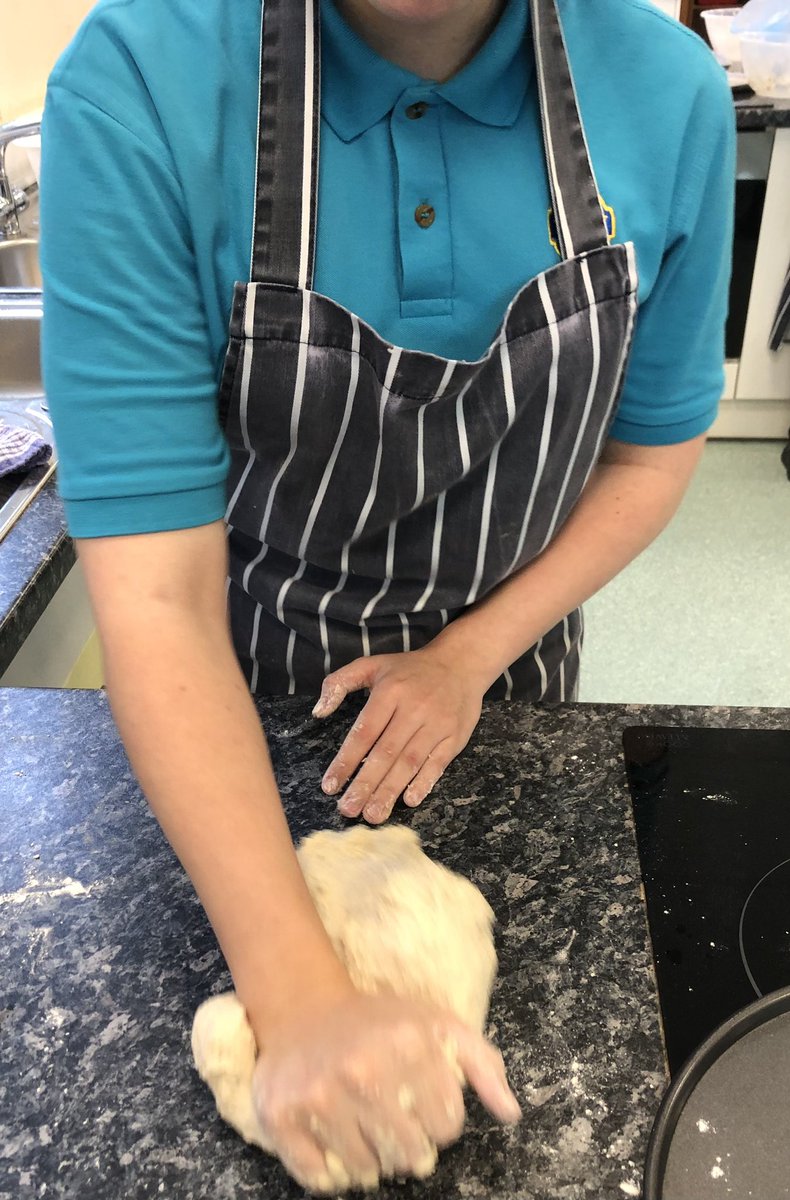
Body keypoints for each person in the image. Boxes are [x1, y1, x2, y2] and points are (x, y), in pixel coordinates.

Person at [39, 0, 735, 1187]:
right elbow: (156, 603)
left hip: (509, 683)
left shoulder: (666, 90)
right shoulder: (148, 79)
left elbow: (648, 457)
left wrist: (467, 657)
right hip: (232, 685)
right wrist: (301, 997)